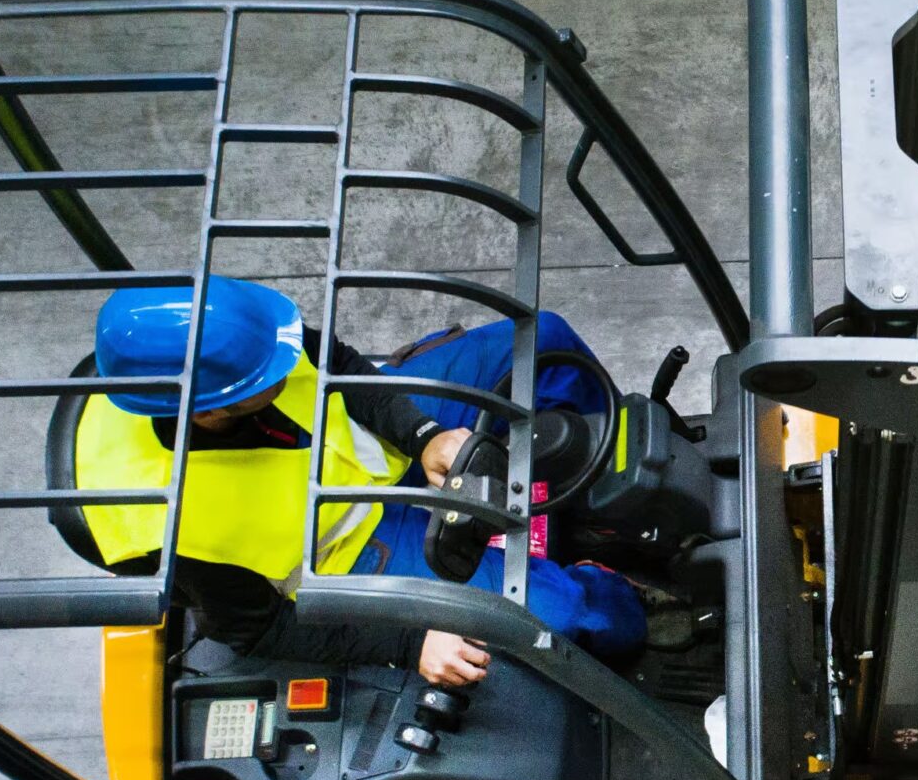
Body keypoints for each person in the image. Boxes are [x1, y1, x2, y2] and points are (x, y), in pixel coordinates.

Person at [70, 276, 645, 687]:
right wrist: (410, 645)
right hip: (354, 548)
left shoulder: (246, 335)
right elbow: (260, 633)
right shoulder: (158, 523)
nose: (288, 360)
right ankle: (622, 581)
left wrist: (422, 435)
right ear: (209, 413)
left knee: (544, 339)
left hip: (374, 433)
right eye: (268, 376)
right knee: (567, 619)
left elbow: (338, 362)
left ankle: (613, 478)